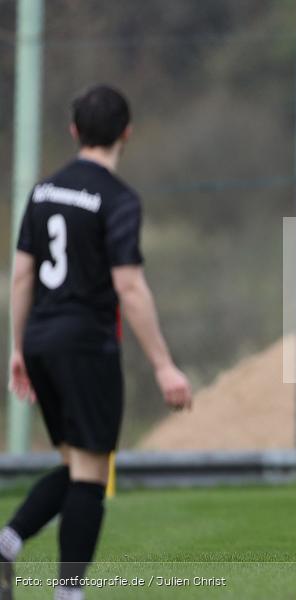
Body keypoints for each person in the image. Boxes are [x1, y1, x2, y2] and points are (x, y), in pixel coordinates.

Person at [2, 85, 192, 600]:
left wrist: (18, 348)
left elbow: (21, 276)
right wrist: (164, 366)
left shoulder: (42, 190)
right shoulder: (117, 198)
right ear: (126, 132)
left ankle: (8, 543)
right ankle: (68, 592)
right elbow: (128, 285)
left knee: (75, 465)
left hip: (41, 339)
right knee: (90, 472)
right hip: (86, 344)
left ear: (73, 131)